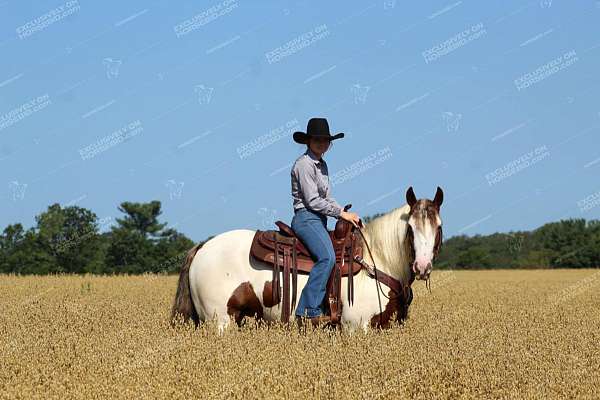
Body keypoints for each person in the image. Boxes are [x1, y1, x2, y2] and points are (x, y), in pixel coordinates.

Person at [290, 117, 361, 326]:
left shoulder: (322, 165)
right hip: (306, 218)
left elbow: (327, 198)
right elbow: (312, 201)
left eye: (325, 140)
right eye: (317, 139)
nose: (322, 143)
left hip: (318, 219)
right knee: (328, 258)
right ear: (308, 141)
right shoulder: (303, 165)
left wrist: (348, 215)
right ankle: (308, 309)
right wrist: (340, 214)